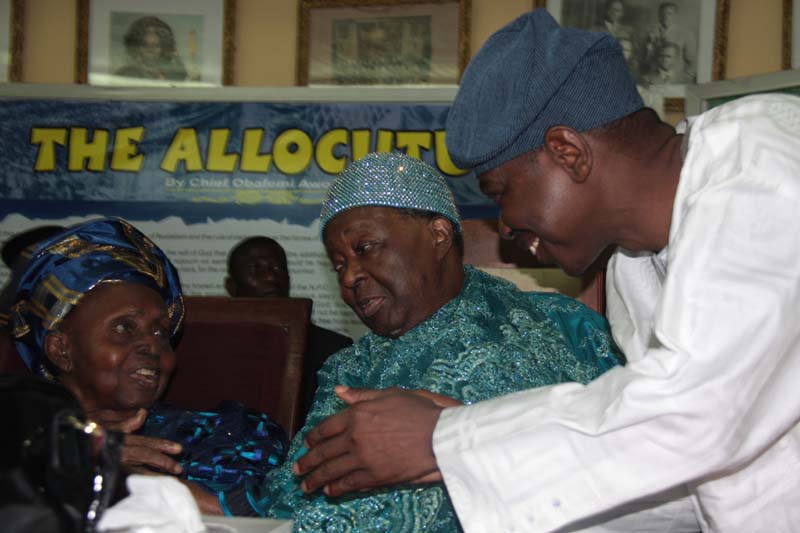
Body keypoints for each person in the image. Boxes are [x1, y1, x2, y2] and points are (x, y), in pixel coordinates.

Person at [293, 9, 800, 532]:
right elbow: (672, 481)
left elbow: (694, 418)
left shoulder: (764, 169)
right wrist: (476, 439)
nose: (507, 226)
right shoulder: (633, 266)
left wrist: (446, 438)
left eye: (501, 193)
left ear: (567, 152)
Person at [224, 152, 623, 529]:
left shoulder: (560, 328)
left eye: (365, 248)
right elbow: (291, 495)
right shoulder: (349, 369)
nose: (348, 278)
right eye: (339, 265)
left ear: (437, 235)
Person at [8, 218, 287, 515]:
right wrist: (66, 463)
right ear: (61, 350)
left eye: (160, 333)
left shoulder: (232, 432)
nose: (152, 346)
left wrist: (118, 476)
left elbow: (268, 513)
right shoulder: (19, 441)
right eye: (124, 328)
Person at [225, 236, 353, 425]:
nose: (271, 277)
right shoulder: (216, 348)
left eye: (278, 269)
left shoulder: (333, 348)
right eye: (256, 269)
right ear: (232, 286)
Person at [115, 16, 189, 81]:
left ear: (164, 48)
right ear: (136, 48)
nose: (150, 49)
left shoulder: (176, 75)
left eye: (156, 45)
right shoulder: (125, 75)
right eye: (145, 45)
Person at [642, 2, 696, 82]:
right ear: (658, 16)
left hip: (676, 80)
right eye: (662, 14)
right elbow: (645, 60)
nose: (665, 17)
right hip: (654, 80)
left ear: (676, 16)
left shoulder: (686, 34)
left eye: (669, 14)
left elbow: (692, 62)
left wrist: (685, 78)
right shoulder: (650, 33)